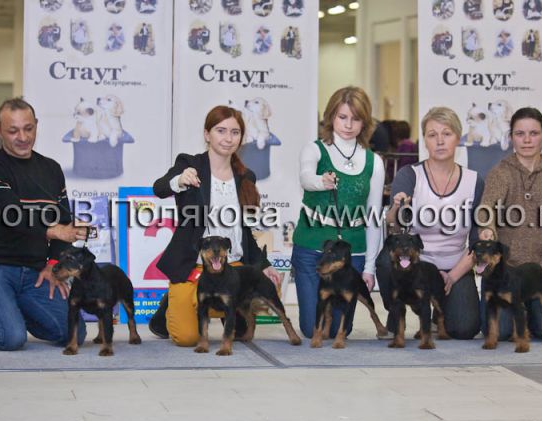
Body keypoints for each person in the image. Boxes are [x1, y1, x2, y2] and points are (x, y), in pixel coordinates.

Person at [0, 98, 89, 350]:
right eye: (13, 131)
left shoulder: (52, 169)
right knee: (10, 337)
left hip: (33, 270)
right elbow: (10, 214)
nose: (23, 137)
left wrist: (54, 264)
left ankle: (10, 310)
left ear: (36, 125)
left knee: (73, 334)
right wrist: (52, 231)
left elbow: (64, 221)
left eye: (28, 128)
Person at [147, 105, 280, 346]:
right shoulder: (189, 164)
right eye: (221, 131)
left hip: (231, 265)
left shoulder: (246, 176)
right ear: (207, 134)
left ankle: (213, 304)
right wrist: (179, 180)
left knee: (244, 328)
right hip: (193, 264)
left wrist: (264, 264)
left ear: (241, 138)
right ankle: (172, 304)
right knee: (187, 338)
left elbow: (244, 233)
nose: (228, 138)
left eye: (235, 132)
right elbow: (159, 187)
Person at [377, 106, 484, 340]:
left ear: (458, 137)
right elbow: (394, 228)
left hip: (455, 263)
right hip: (416, 264)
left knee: (465, 329)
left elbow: (477, 243)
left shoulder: (474, 181)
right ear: (424, 140)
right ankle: (396, 310)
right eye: (432, 135)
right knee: (385, 260)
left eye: (447, 133)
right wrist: (396, 208)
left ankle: (437, 315)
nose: (440, 141)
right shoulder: (409, 175)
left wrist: (453, 276)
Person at [291, 86, 385, 339]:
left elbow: (374, 217)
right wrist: (321, 181)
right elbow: (305, 177)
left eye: (356, 118)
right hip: (311, 248)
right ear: (331, 116)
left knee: (337, 330)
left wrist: (369, 268)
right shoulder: (314, 149)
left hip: (352, 253)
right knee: (312, 328)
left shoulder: (374, 162)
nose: (348, 125)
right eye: (342, 117)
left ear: (365, 122)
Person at [478, 107, 542, 343]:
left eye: (534, 133)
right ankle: (524, 312)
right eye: (520, 134)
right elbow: (486, 209)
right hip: (507, 271)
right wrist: (487, 228)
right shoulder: (499, 173)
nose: (527, 140)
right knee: (500, 333)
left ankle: (529, 312)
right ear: (511, 137)